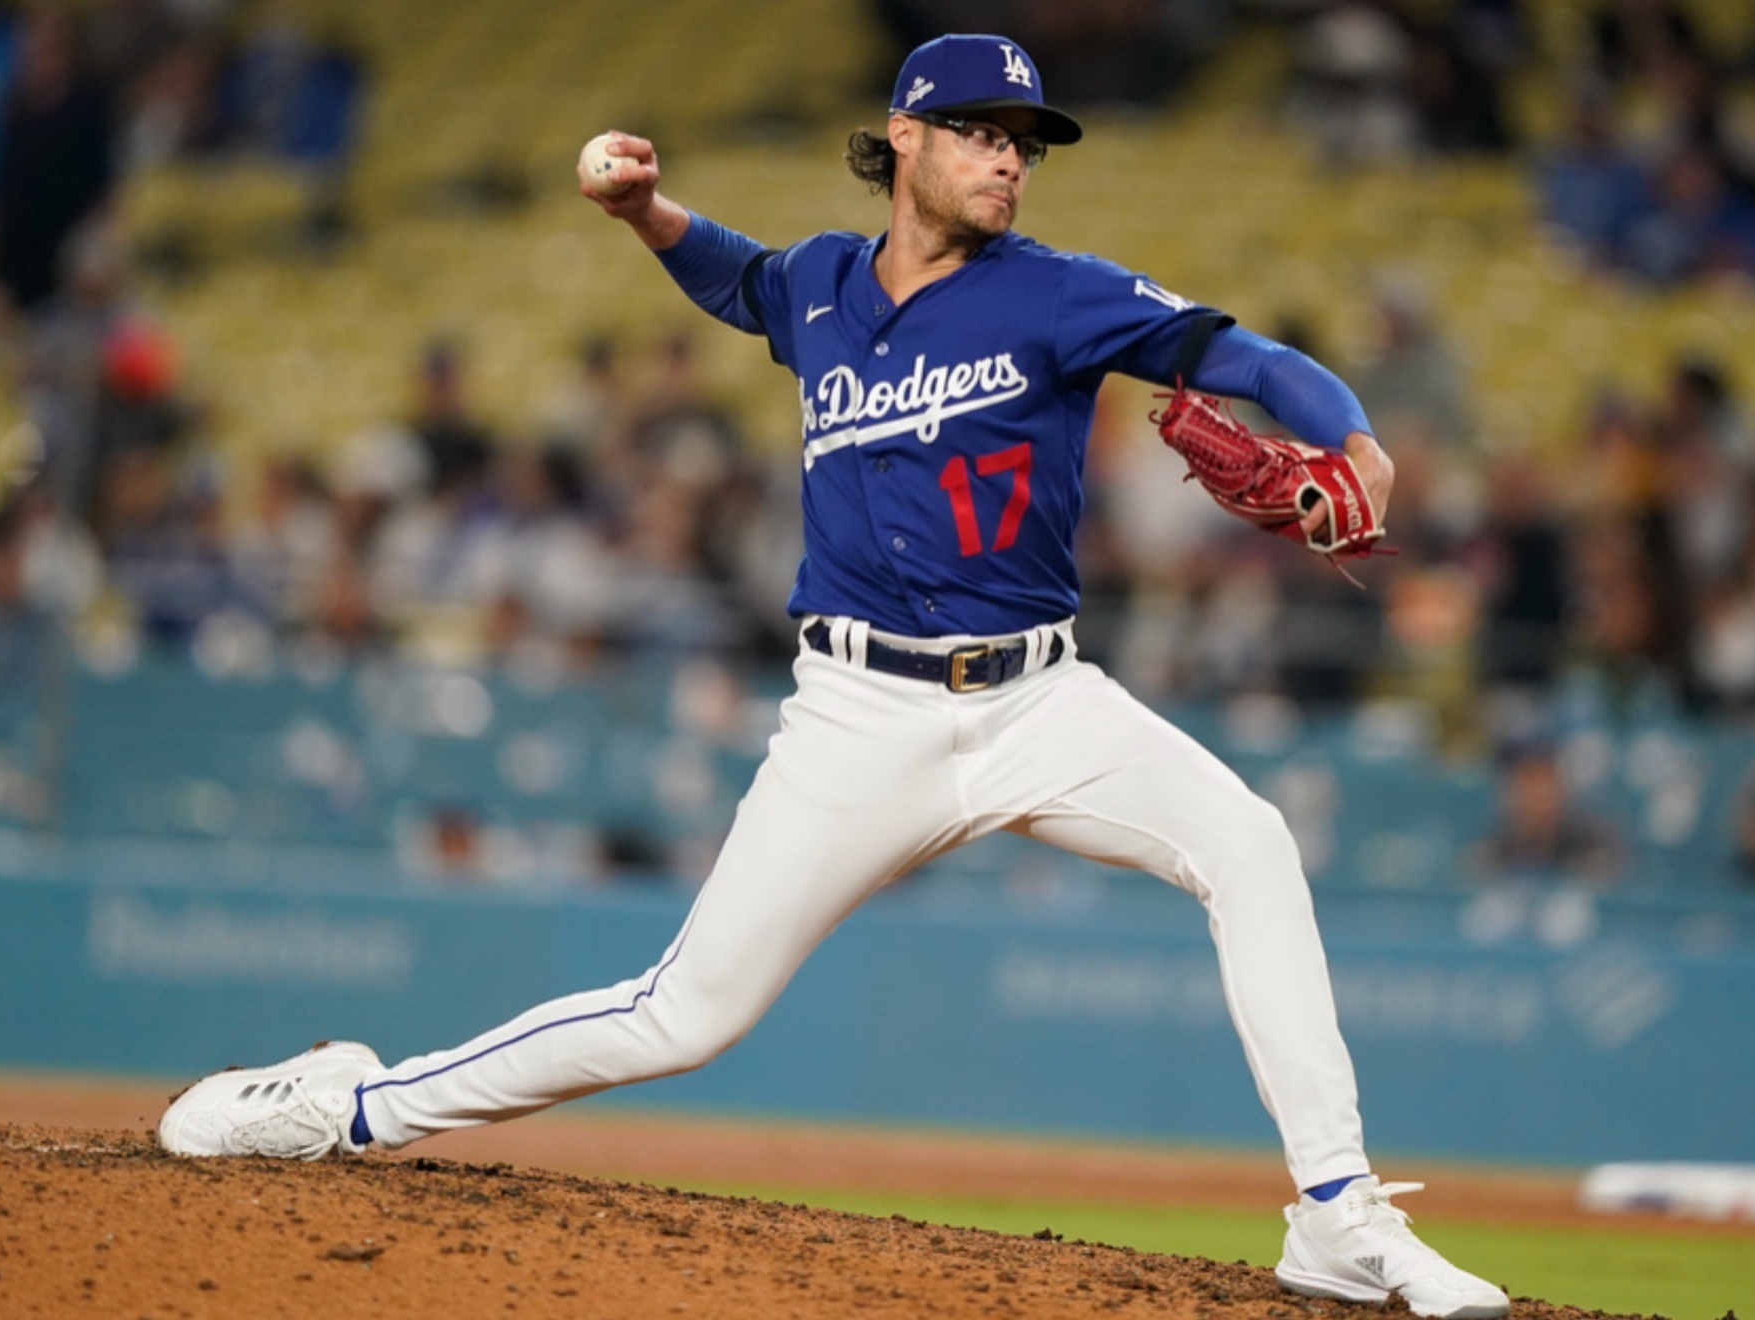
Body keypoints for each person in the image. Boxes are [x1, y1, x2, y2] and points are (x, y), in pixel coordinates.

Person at [155, 34, 1508, 1320]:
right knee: (684, 1016)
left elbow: (1246, 359)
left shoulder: (1056, 290)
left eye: (1026, 141)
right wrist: (644, 215)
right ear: (903, 136)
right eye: (981, 132)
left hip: (1043, 701)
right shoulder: (817, 284)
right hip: (862, 712)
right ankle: (348, 1106)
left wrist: (1354, 437)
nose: (1008, 159)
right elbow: (740, 280)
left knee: (1253, 845)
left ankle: (1335, 1213)